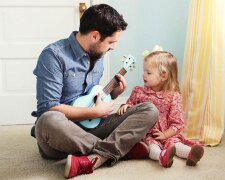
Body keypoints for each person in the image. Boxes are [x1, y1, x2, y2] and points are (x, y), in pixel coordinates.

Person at [31, 4, 159, 178]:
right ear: (95, 36)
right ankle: (120, 150)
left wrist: (114, 94)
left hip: (93, 127)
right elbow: (48, 108)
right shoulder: (53, 56)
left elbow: (91, 96)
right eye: (111, 42)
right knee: (47, 120)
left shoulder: (98, 55)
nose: (113, 47)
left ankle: (97, 157)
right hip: (61, 134)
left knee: (149, 109)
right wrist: (94, 111)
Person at [117, 50, 204, 168]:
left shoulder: (173, 96)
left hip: (168, 134)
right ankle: (162, 156)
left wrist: (165, 134)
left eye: (148, 73)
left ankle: (191, 154)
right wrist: (126, 106)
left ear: (163, 75)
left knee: (176, 144)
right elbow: (130, 106)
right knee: (152, 147)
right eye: (144, 71)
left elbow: (177, 123)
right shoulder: (138, 92)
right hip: (147, 134)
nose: (143, 75)